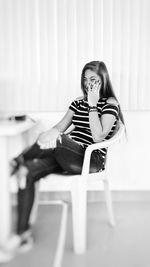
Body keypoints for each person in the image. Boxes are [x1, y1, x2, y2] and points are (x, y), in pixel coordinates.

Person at [6, 61, 125, 254]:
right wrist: (47, 135)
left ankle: (14, 162)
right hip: (64, 154)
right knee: (27, 171)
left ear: (104, 80)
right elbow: (59, 127)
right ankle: (22, 234)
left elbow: (97, 136)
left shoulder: (110, 104)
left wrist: (93, 105)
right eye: (85, 80)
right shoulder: (78, 101)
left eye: (94, 80)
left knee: (58, 140)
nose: (89, 85)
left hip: (89, 161)